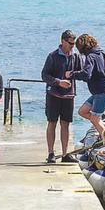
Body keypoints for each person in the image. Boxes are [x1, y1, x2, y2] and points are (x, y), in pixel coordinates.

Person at [67, 34, 105, 137]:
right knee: (82, 112)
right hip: (102, 91)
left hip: (103, 92)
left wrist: (71, 74)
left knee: (94, 119)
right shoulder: (101, 53)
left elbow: (86, 74)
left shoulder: (90, 56)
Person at [41, 30, 83, 164]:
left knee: (66, 124)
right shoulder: (52, 56)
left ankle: (65, 154)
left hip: (69, 96)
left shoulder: (75, 57)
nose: (72, 46)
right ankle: (51, 153)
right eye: (70, 43)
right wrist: (59, 82)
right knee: (52, 123)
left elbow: (81, 73)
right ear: (63, 41)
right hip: (53, 94)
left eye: (74, 43)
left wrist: (74, 74)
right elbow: (44, 75)